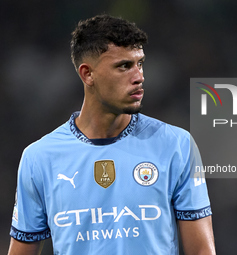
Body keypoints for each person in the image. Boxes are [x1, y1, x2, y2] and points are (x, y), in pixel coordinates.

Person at [8, 14, 215, 255]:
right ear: (87, 74)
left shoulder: (177, 146)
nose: (139, 77)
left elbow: (202, 251)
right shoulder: (39, 158)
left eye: (140, 63)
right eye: (124, 66)